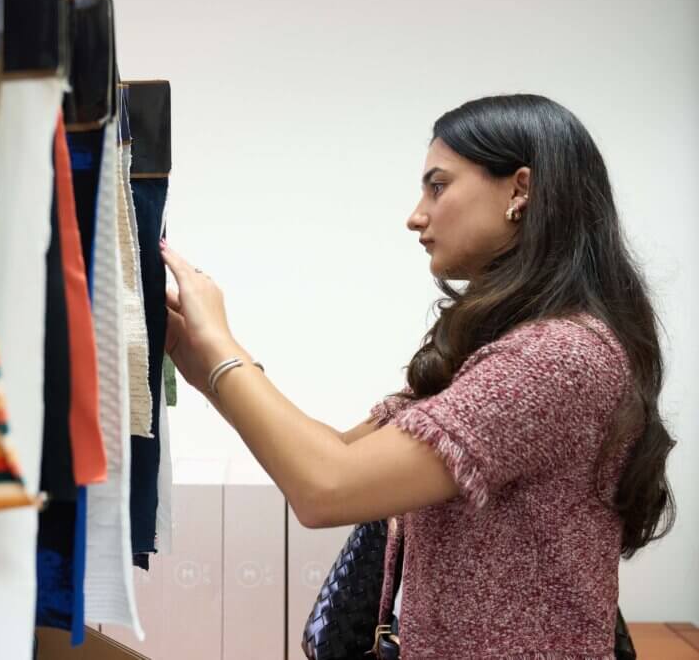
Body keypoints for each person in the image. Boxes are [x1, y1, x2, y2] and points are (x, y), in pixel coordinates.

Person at [160, 94, 676, 659]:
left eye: (438, 186)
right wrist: (199, 357)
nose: (416, 215)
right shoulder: (503, 347)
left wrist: (222, 345)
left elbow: (326, 487)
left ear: (520, 190)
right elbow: (337, 452)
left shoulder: (555, 358)